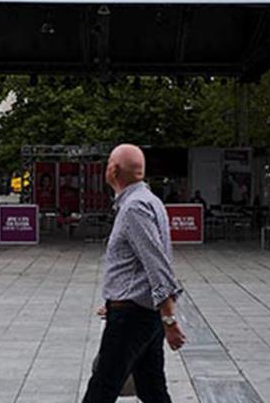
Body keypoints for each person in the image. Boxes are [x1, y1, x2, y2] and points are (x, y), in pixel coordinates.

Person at [83, 144, 185, 403]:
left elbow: (157, 265)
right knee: (152, 390)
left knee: (101, 389)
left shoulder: (134, 208)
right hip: (139, 311)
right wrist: (116, 299)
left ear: (114, 170)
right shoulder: (150, 201)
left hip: (133, 317)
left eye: (109, 162)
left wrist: (170, 320)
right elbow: (138, 265)